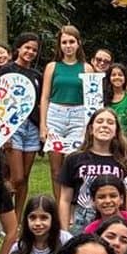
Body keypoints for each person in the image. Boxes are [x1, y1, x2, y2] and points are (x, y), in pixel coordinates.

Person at [57, 107, 127, 233]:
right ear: (91, 129)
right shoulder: (74, 159)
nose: (104, 125)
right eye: (100, 121)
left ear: (116, 131)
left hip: (113, 220)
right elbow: (65, 199)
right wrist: (64, 232)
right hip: (81, 219)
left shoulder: (123, 162)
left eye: (110, 122)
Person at [40, 23, 89, 179]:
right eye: (64, 42)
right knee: (56, 170)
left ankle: (72, 196)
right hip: (55, 115)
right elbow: (45, 97)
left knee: (73, 166)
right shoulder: (52, 67)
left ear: (78, 43)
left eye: (71, 42)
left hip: (78, 116)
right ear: (60, 45)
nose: (68, 46)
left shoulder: (87, 68)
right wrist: (43, 126)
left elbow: (91, 100)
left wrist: (87, 126)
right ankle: (57, 196)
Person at [4, 31, 46, 198]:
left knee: (25, 178)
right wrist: (4, 132)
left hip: (32, 128)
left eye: (34, 50)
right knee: (16, 177)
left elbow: (40, 102)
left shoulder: (37, 75)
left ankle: (19, 213)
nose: (30, 52)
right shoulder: (6, 70)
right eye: (27, 48)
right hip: (13, 127)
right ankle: (3, 210)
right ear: (18, 48)